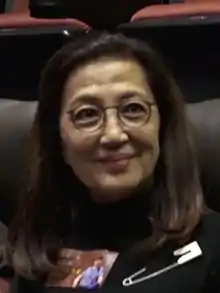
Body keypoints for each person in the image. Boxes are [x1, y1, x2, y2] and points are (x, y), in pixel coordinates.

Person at [3, 32, 220, 293]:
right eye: (87, 114)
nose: (113, 134)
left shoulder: (213, 246)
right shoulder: (37, 241)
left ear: (162, 125)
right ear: (58, 137)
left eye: (133, 109)